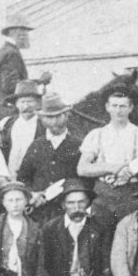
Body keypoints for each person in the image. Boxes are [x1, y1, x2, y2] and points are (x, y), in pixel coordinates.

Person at [76, 85, 138, 231]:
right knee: (101, 242)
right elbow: (82, 168)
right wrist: (115, 168)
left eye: (123, 106)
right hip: (103, 196)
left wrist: (99, 167)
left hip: (131, 195)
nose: (118, 111)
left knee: (130, 240)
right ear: (107, 107)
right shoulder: (96, 135)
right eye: (115, 106)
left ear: (131, 108)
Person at [37, 179, 112, 276]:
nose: (76, 207)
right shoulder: (50, 229)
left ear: (88, 203)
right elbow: (42, 269)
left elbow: (106, 269)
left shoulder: (100, 229)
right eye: (71, 203)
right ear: (63, 205)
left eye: (81, 202)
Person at [16, 93, 86, 224]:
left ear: (66, 116)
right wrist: (32, 195)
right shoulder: (36, 145)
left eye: (58, 116)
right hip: (39, 211)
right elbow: (23, 177)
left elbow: (85, 180)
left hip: (67, 210)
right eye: (49, 117)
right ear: (42, 118)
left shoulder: (78, 145)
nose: (54, 122)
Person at [0, 13, 51, 118]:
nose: (26, 36)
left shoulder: (7, 51)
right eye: (23, 32)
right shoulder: (11, 53)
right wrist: (40, 81)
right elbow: (11, 86)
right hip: (11, 111)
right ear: (13, 32)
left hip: (7, 108)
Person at [0, 80, 45, 175]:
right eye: (22, 102)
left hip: (35, 174)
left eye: (30, 102)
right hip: (10, 173)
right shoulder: (7, 123)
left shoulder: (43, 124)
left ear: (38, 103)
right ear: (16, 104)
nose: (26, 106)